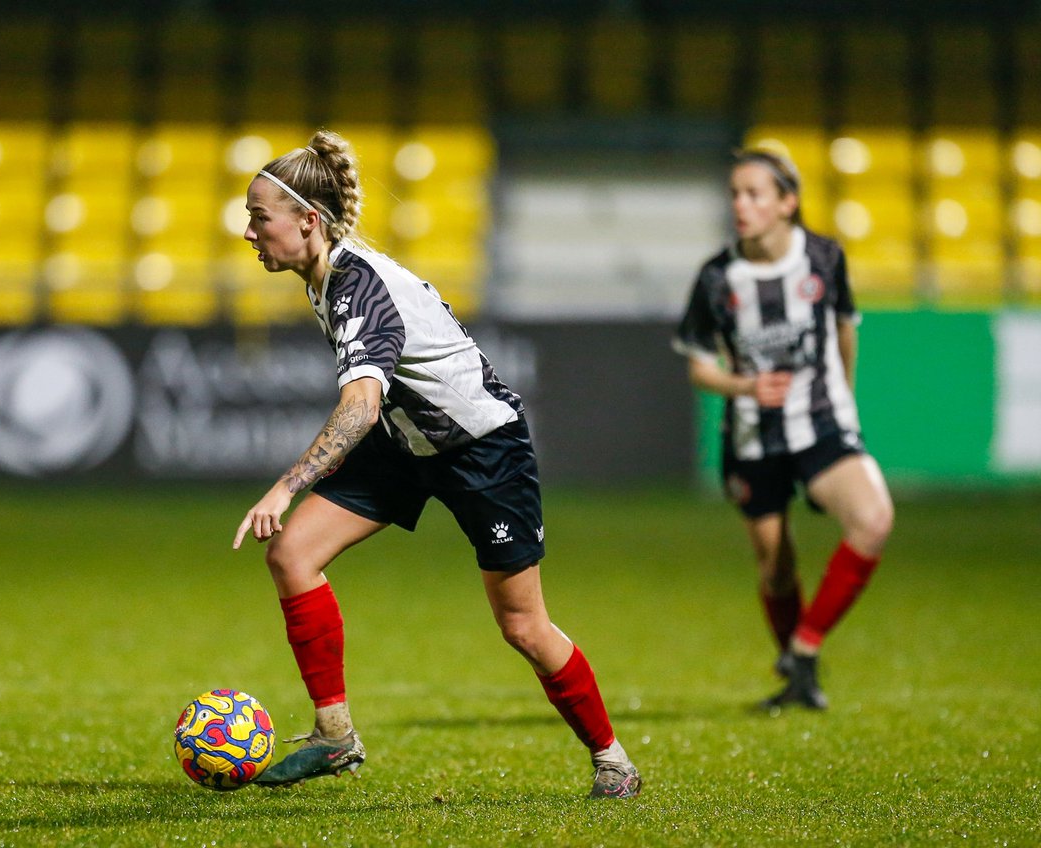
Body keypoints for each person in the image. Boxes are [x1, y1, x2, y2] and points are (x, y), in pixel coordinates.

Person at [231, 129, 640, 798]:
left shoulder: (353, 284)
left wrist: (284, 486)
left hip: (482, 450)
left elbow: (360, 406)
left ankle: (613, 759)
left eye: (258, 217)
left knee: (522, 625)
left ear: (308, 220)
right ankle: (334, 737)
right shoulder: (328, 272)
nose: (249, 232)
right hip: (406, 443)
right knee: (293, 555)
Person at [673, 148, 894, 711]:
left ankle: (804, 647)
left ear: (787, 202)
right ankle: (800, 681)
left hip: (821, 423)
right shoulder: (717, 277)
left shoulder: (824, 258)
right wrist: (746, 387)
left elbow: (845, 329)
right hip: (753, 438)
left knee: (873, 520)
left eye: (754, 194)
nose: (740, 205)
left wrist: (843, 394)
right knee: (777, 566)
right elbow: (699, 366)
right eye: (734, 194)